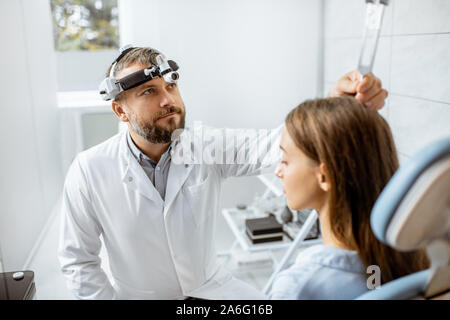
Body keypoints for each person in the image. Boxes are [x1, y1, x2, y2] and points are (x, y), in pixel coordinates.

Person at [58, 46, 388, 299]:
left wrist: (333, 103)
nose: (168, 100)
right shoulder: (88, 171)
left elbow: (275, 144)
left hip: (214, 292)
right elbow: (79, 262)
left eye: (171, 87)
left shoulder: (205, 145)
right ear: (120, 110)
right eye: (149, 92)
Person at [269, 96, 429, 300]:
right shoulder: (413, 257)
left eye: (285, 161)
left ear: (324, 176)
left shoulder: (298, 287)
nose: (278, 171)